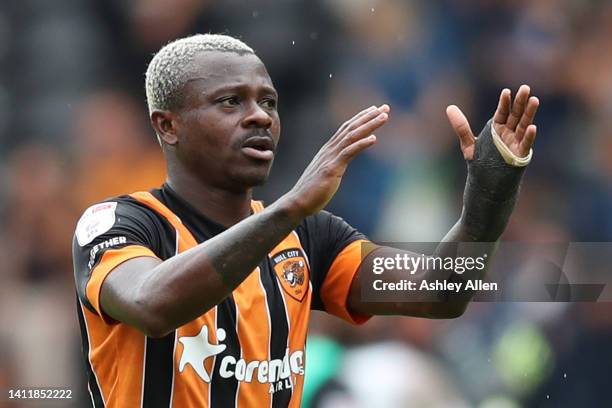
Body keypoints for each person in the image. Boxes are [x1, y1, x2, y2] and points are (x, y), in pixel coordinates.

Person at [72, 34, 539, 407]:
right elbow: (153, 305)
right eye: (230, 102)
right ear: (168, 125)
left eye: (269, 102)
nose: (259, 116)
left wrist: (487, 201)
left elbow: (441, 293)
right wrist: (289, 208)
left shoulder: (310, 236)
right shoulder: (119, 223)